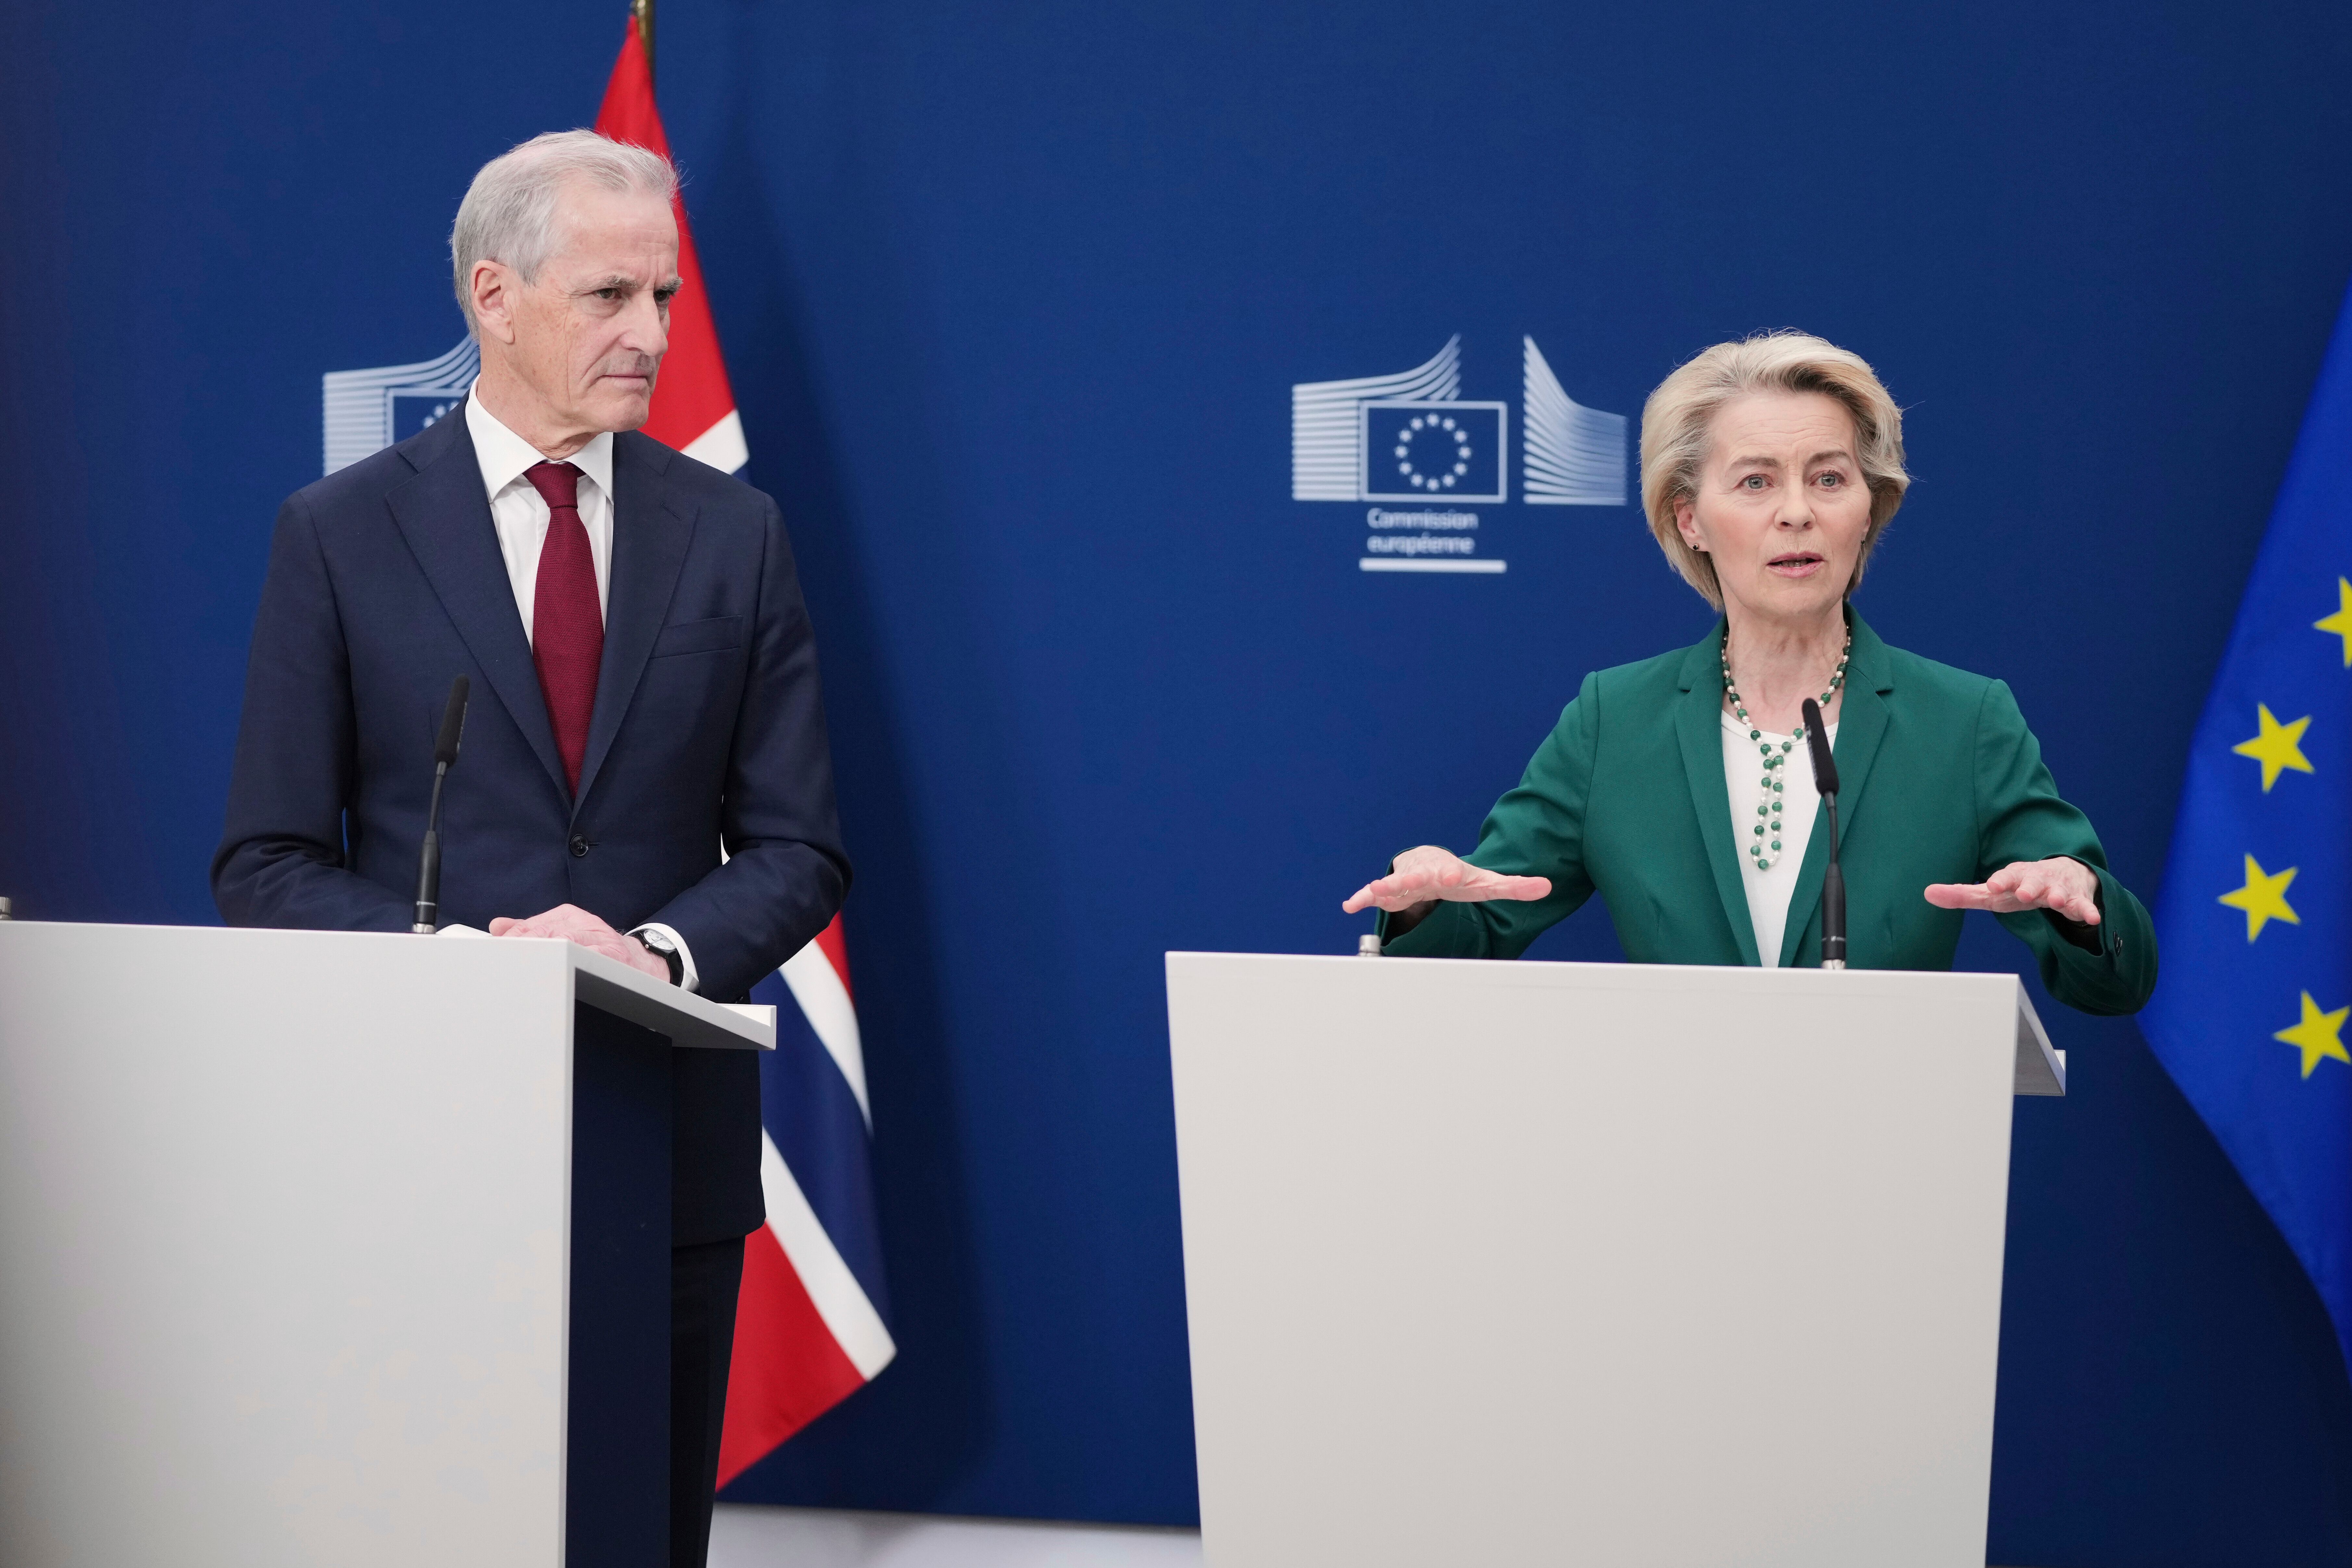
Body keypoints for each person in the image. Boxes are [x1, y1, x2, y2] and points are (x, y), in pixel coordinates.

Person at [211, 130, 849, 1563]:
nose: (648, 335)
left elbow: (801, 847)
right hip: (413, 1140)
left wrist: (649, 955)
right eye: (608, 296)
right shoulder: (340, 533)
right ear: (493, 296)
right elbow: (264, 859)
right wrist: (461, 968)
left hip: (662, 1146)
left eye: (666, 300)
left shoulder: (734, 534)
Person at [1343, 331, 2155, 1013]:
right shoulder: (1614, 720)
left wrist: (2075, 899)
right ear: (1690, 518)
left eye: (1829, 479)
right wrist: (1425, 902)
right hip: (1671, 1160)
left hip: (1884, 1161)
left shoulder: (1963, 721)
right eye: (1756, 481)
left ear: (1867, 507)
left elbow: (2115, 981)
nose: (1796, 511)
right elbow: (1476, 934)